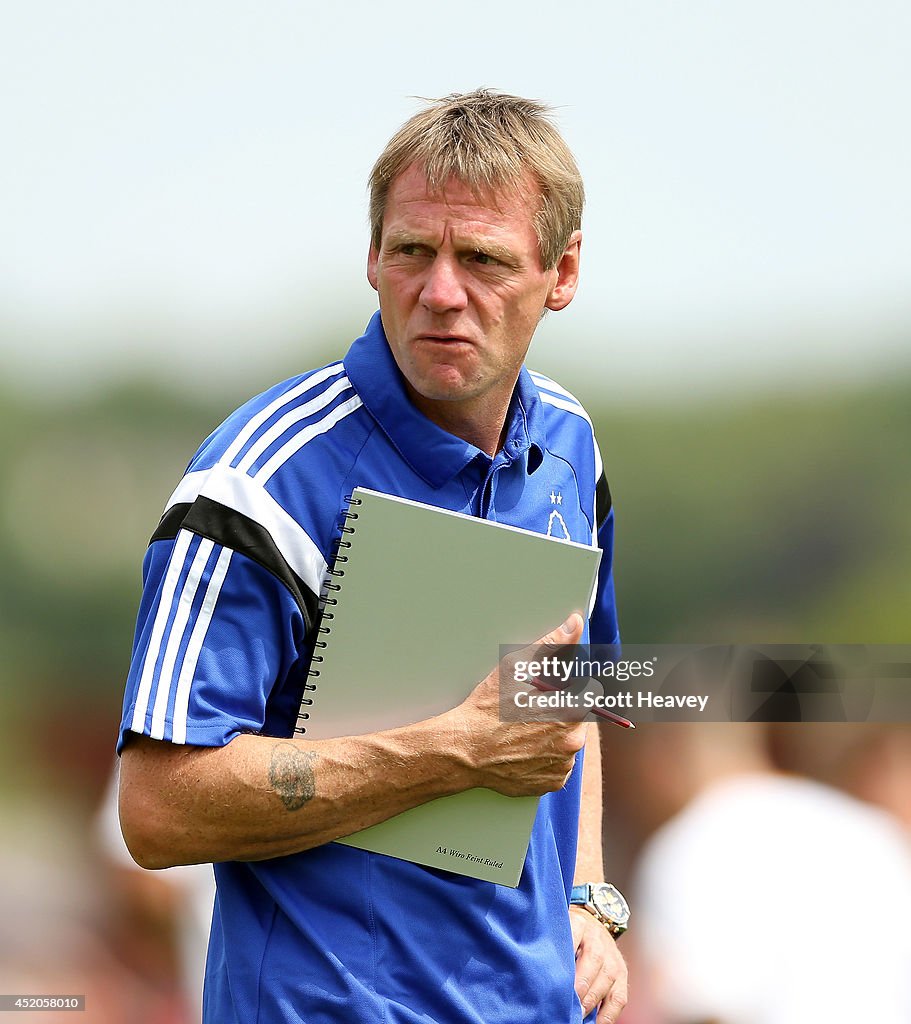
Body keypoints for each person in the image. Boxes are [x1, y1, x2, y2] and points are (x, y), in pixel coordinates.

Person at [117, 89, 628, 1024]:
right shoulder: (260, 481)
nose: (440, 291)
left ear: (560, 272)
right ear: (371, 257)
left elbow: (573, 695)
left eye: (481, 259)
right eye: (411, 251)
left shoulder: (570, 443)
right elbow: (156, 811)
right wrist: (450, 752)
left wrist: (589, 899)